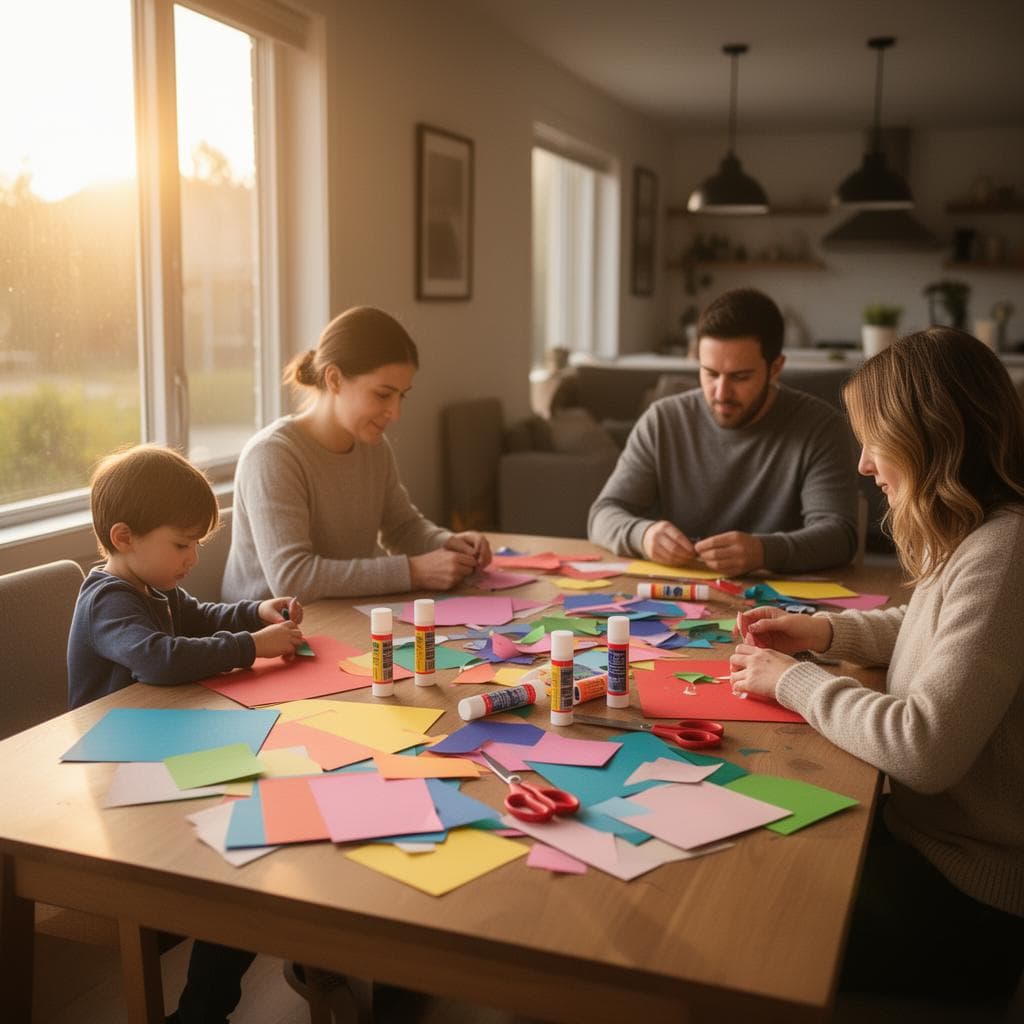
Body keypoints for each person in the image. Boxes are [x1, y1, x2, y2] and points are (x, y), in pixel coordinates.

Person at [731, 328, 1023, 1004]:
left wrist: (796, 682)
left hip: (967, 896)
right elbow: (930, 630)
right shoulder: (981, 532)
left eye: (874, 441)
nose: (863, 464)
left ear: (930, 439)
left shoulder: (1004, 550)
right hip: (924, 845)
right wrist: (824, 631)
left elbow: (922, 749)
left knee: (747, 921)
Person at [67, 443, 306, 1023]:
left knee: (266, 830)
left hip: (163, 757)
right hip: (118, 777)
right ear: (124, 536)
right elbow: (158, 659)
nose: (193, 556)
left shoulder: (158, 589)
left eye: (197, 542)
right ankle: (205, 1010)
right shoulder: (107, 601)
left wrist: (255, 613)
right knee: (245, 856)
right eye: (182, 543)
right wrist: (252, 648)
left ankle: (208, 1006)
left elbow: (201, 615)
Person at [222, 305, 491, 603]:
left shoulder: (372, 446)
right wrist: (414, 572)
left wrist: (450, 544)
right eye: (382, 394)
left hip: (343, 618)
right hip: (265, 638)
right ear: (334, 379)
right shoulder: (272, 456)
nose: (395, 413)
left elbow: (402, 527)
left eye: (402, 395)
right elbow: (293, 580)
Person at [587, 288, 858, 576]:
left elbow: (840, 536)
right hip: (682, 598)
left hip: (784, 606)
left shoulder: (821, 427)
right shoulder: (662, 421)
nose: (721, 392)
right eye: (710, 373)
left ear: (776, 368)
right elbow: (602, 515)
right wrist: (642, 535)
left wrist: (763, 551)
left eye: (740, 377)